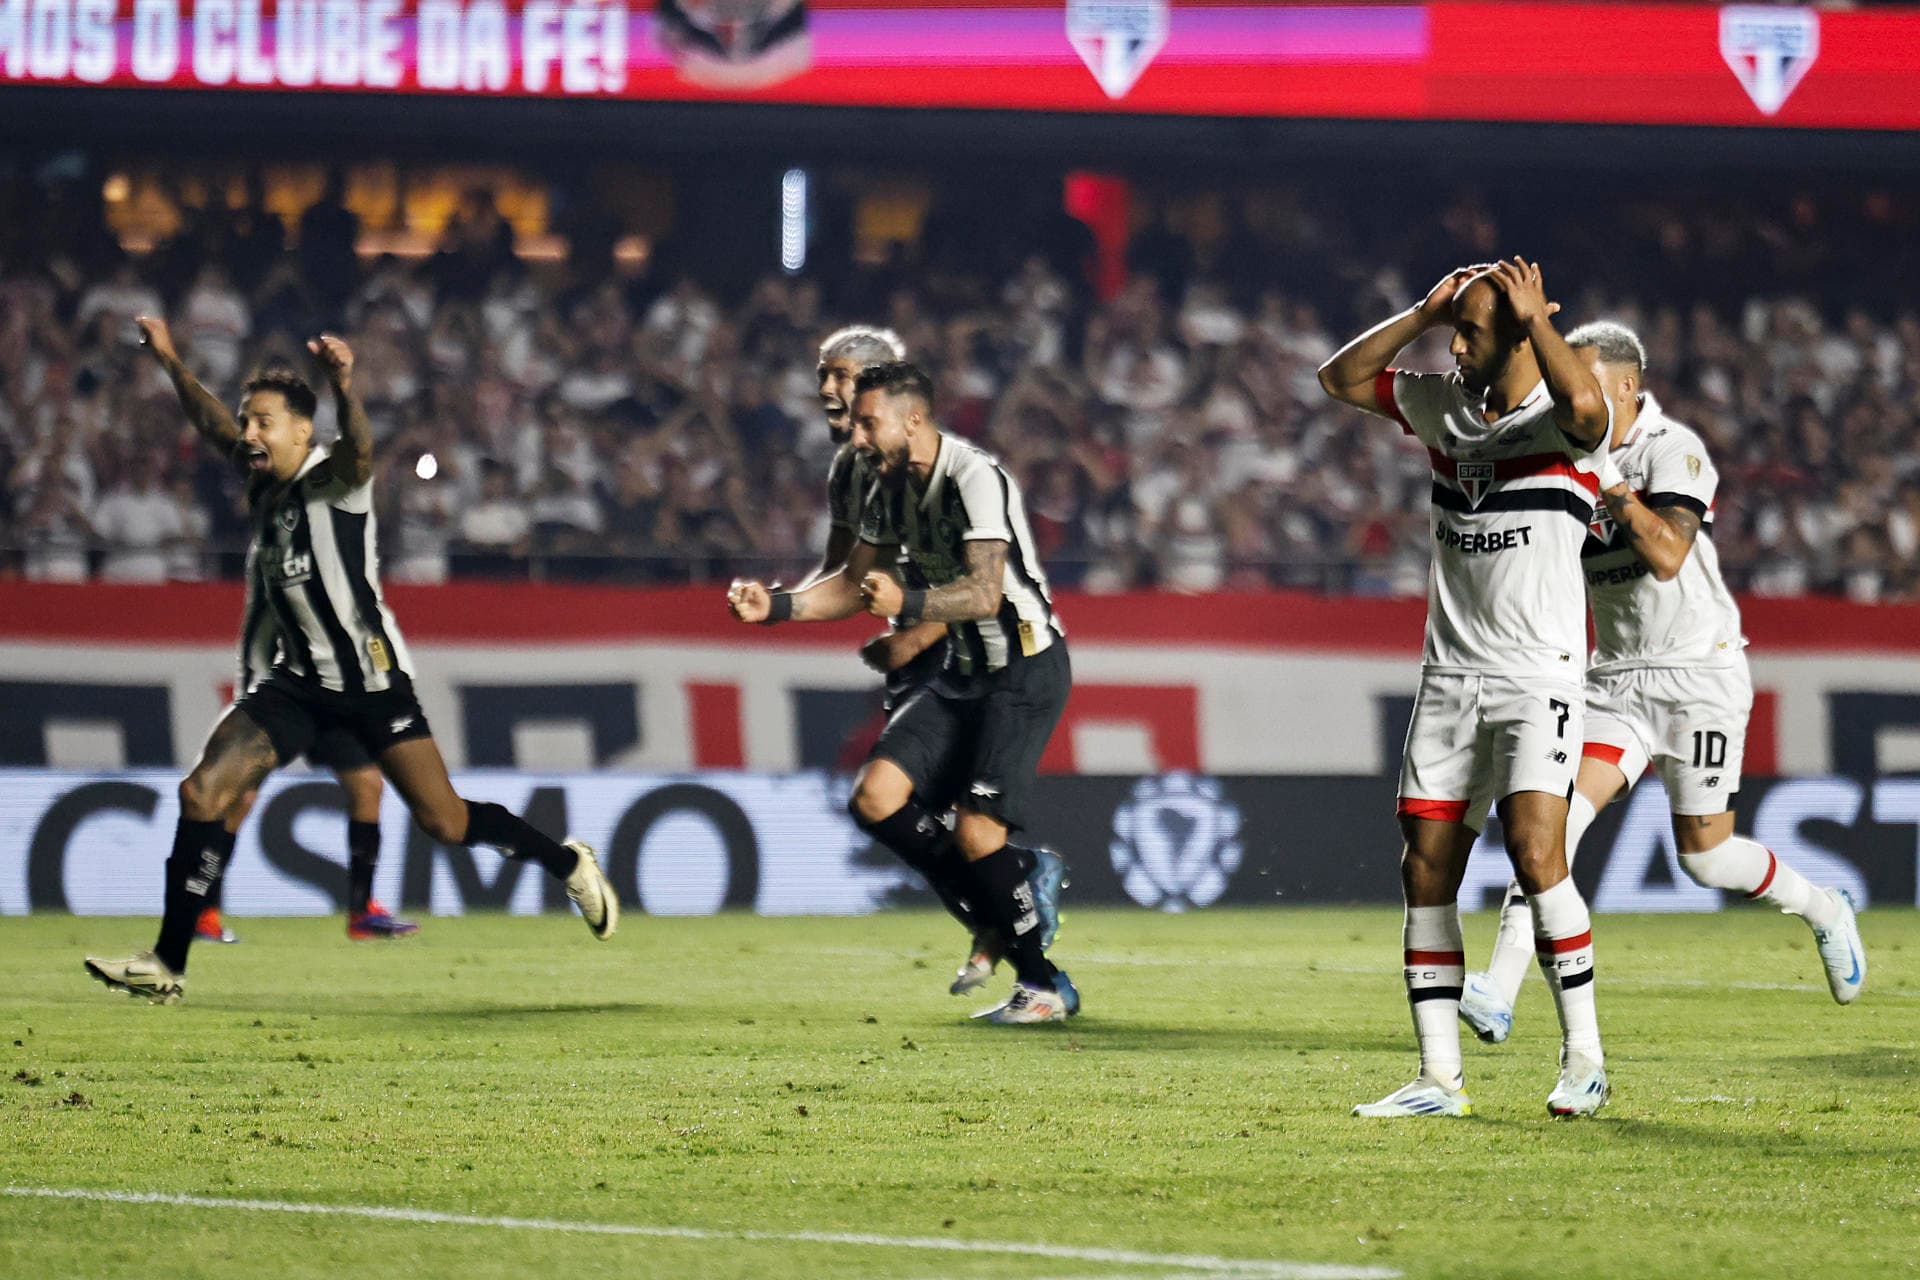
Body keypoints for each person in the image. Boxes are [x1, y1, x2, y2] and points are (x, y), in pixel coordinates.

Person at [84, 320, 618, 1004]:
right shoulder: (262, 483)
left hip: (373, 687)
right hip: (296, 687)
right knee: (201, 794)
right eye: (250, 421)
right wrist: (168, 359)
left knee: (446, 822)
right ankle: (167, 964)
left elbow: (362, 447)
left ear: (303, 433)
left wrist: (343, 385)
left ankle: (568, 863)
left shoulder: (335, 479)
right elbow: (210, 418)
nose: (250, 432)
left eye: (265, 422)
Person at [1457, 321, 1866, 1041]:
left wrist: (1606, 476)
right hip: (1614, 681)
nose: (1568, 392)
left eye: (1580, 378)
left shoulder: (1671, 448)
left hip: (1698, 674)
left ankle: (1824, 907)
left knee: (1707, 857)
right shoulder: (1564, 450)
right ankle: (1499, 986)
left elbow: (1669, 555)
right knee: (1548, 828)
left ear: (1624, 384)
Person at [1318, 259, 1614, 1117]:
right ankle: (1438, 1078)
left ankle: (1584, 1059)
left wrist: (1536, 322)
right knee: (1425, 869)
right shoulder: (1443, 404)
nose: (1455, 347)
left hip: (1538, 676)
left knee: (1535, 851)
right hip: (1450, 675)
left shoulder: (1560, 416)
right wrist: (1421, 310)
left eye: (1472, 332)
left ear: (1520, 334)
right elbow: (1339, 378)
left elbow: (1592, 415)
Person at [728, 361, 1076, 1024]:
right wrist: (773, 607)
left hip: (1024, 669)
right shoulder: (889, 490)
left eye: (868, 420)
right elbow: (848, 584)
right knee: (876, 798)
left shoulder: (975, 477)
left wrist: (908, 600)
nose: (857, 435)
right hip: (963, 676)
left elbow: (983, 591)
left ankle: (1044, 987)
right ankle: (1014, 880)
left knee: (977, 833)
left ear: (912, 418)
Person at [813, 326, 1036, 996]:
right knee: (899, 812)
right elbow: (842, 578)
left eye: (841, 377)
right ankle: (1005, 903)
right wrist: (780, 604)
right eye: (823, 376)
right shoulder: (852, 471)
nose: (827, 389)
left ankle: (1013, 926)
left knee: (905, 806)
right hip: (922, 659)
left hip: (963, 657)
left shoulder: (937, 467)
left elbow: (969, 577)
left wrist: (918, 631)